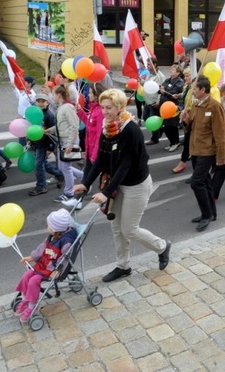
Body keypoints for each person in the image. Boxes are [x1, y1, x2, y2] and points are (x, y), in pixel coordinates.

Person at [74, 89, 171, 282]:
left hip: (136, 184)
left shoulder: (130, 130)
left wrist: (105, 191)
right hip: (118, 183)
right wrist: (85, 184)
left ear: (119, 107)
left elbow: (126, 164)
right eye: (102, 107)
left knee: (130, 229)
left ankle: (162, 246)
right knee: (116, 227)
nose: (105, 111)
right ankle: (123, 266)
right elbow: (101, 158)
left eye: (109, 108)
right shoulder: (107, 126)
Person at [180, 76, 225, 232]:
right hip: (195, 149)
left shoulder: (214, 106)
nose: (192, 91)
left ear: (202, 90)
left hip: (207, 151)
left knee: (196, 183)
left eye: (194, 88)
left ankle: (206, 215)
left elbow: (221, 134)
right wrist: (185, 120)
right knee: (205, 182)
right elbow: (190, 129)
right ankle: (211, 213)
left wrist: (221, 156)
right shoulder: (195, 105)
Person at [14, 208, 77, 322]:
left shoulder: (66, 241)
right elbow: (42, 248)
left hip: (51, 269)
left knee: (33, 281)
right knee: (27, 275)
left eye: (49, 226)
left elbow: (65, 258)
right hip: (43, 264)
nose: (47, 228)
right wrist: (32, 257)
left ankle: (33, 306)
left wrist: (59, 270)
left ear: (56, 229)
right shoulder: (52, 236)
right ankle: (25, 299)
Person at [52, 86, 84, 202]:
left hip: (68, 140)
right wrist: (49, 131)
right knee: (63, 167)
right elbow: (62, 125)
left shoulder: (68, 107)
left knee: (66, 168)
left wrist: (70, 144)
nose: (52, 96)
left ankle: (69, 192)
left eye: (53, 94)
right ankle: (83, 177)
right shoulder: (62, 107)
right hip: (63, 140)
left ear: (59, 95)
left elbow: (74, 126)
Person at [28, 94, 64, 196]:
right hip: (35, 142)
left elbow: (53, 133)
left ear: (47, 103)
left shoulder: (49, 115)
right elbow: (31, 128)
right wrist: (29, 139)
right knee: (42, 163)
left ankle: (41, 186)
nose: (40, 103)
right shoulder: (34, 113)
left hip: (43, 144)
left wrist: (51, 147)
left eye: (43, 101)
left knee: (38, 165)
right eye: (38, 101)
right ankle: (59, 174)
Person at [149, 65, 184, 151]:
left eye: (173, 70)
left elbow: (173, 93)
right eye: (171, 69)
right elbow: (162, 89)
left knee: (172, 126)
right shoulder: (167, 80)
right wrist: (160, 89)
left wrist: (164, 91)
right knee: (166, 126)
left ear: (178, 72)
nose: (171, 71)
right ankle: (171, 142)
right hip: (164, 107)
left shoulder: (179, 81)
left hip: (172, 107)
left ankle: (175, 142)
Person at [77, 83, 105, 179]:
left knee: (95, 177)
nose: (88, 95)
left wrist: (94, 154)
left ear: (96, 95)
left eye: (90, 93)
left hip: (94, 151)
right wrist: (79, 111)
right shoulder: (93, 108)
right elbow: (88, 123)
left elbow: (99, 135)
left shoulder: (100, 112)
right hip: (89, 149)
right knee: (87, 177)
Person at [142, 59, 166, 141]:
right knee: (145, 118)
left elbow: (162, 91)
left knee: (153, 120)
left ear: (154, 64)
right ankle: (161, 129)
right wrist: (140, 80)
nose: (147, 66)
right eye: (147, 64)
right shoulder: (149, 74)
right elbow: (147, 84)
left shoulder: (160, 76)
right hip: (147, 101)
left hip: (154, 103)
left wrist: (158, 102)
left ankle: (155, 138)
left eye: (149, 64)